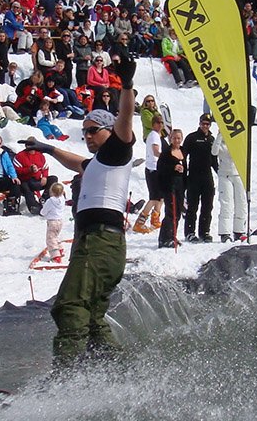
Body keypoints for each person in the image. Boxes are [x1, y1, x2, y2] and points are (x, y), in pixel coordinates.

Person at [19, 68, 137, 367]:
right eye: (84, 131)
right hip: (99, 244)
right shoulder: (99, 162)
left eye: (93, 129)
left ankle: (65, 379)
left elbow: (125, 121)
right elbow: (77, 162)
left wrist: (127, 86)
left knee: (70, 306)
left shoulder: (116, 151)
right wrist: (48, 148)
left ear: (108, 131)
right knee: (93, 317)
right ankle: (118, 371)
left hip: (100, 242)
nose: (86, 135)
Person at [183, 114, 216, 243]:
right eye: (203, 123)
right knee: (192, 206)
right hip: (194, 177)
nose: (205, 126)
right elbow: (183, 156)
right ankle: (190, 232)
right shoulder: (192, 138)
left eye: (207, 124)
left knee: (207, 206)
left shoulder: (212, 139)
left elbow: (214, 160)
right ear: (199, 123)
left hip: (207, 177)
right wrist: (183, 173)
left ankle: (204, 231)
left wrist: (221, 172)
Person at [132, 115, 165, 234]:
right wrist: (167, 158)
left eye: (161, 122)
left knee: (160, 197)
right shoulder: (154, 136)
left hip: (157, 169)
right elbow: (156, 152)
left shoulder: (158, 135)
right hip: (153, 169)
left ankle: (155, 219)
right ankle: (139, 222)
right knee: (154, 198)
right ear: (153, 124)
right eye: (158, 122)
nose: (160, 124)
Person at [212, 133, 246, 243]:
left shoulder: (237, 140)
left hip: (238, 174)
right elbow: (214, 152)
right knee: (226, 203)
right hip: (225, 175)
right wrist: (220, 134)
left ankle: (239, 230)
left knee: (241, 203)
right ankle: (224, 233)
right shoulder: (221, 142)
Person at [40, 182, 68, 264]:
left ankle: (55, 256)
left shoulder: (50, 201)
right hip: (60, 221)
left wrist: (42, 213)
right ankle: (60, 249)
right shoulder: (62, 199)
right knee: (56, 236)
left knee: (50, 239)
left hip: (52, 221)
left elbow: (44, 211)